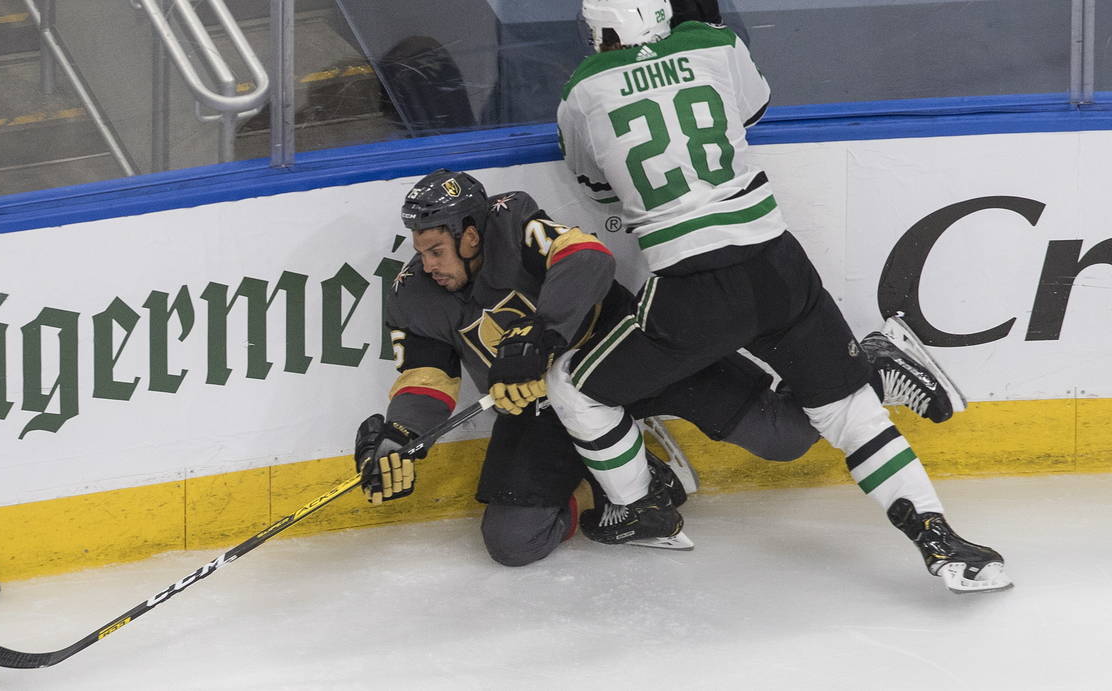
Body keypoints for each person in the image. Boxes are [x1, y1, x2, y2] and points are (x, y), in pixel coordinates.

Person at [550, 0, 1010, 593]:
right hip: (778, 264)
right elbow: (754, 107)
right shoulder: (715, 43)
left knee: (573, 387)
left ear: (603, 33)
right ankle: (939, 538)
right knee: (851, 414)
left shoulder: (580, 90)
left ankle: (639, 508)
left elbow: (596, 182)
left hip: (692, 287)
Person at [353, 168, 962, 569]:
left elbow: (587, 259)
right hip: (543, 406)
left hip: (632, 352)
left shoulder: (514, 224)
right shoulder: (415, 294)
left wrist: (541, 337)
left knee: (785, 440)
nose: (427, 263)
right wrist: (400, 432)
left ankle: (874, 365)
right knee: (513, 543)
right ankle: (636, 471)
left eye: (435, 248)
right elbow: (425, 376)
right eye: (419, 250)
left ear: (470, 234)